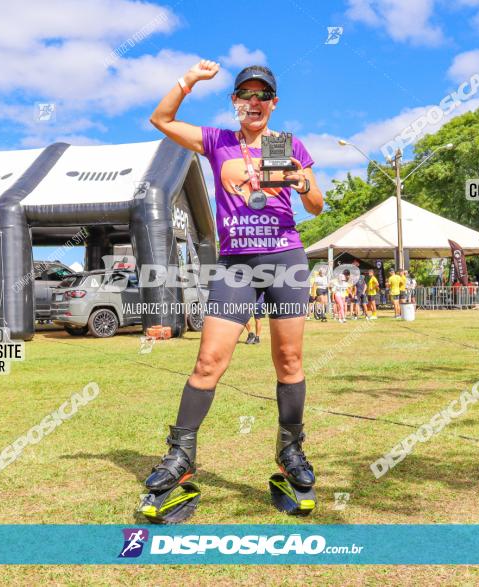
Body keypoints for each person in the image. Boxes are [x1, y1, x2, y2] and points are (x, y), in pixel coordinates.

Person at [144, 59, 324, 518]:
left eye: (263, 95)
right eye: (246, 95)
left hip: (284, 257)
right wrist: (187, 81)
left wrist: (304, 184)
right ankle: (180, 456)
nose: (254, 102)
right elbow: (161, 120)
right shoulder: (217, 141)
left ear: (273, 103)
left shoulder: (289, 144)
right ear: (235, 102)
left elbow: (318, 207)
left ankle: (291, 451)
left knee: (288, 360)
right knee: (208, 361)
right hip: (237, 265)